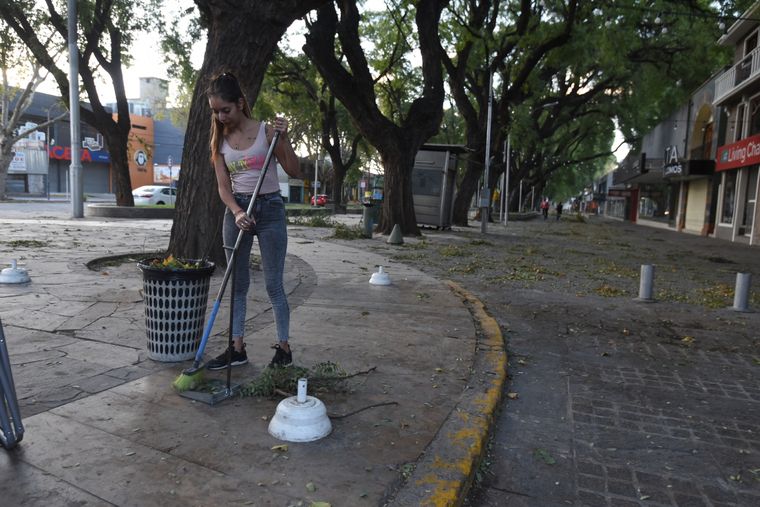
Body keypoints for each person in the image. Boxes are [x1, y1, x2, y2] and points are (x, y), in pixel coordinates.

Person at [204, 71, 301, 371]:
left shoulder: (266, 133)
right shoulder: (218, 141)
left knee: (273, 283)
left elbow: (294, 170)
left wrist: (283, 139)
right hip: (238, 212)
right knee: (238, 285)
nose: (220, 117)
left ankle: (283, 349)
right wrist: (236, 211)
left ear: (240, 103)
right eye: (215, 111)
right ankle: (237, 348)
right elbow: (223, 187)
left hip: (270, 207)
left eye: (225, 110)